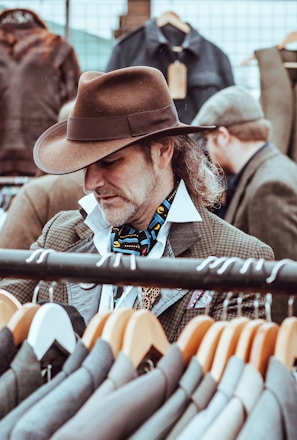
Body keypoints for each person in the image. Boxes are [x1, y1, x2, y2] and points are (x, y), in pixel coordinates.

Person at [0, 66, 274, 343]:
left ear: (163, 152)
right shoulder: (59, 235)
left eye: (109, 162)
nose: (90, 183)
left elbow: (231, 378)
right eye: (84, 167)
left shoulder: (238, 259)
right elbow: (5, 308)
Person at [193, 85, 297, 322]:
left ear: (224, 136)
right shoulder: (274, 169)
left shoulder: (269, 187)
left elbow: (279, 284)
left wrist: (272, 351)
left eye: (209, 140)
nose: (208, 149)